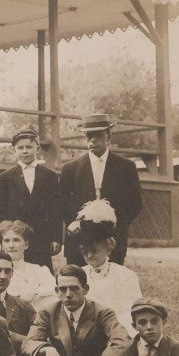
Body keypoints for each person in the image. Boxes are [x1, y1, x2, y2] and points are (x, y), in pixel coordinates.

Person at [59, 113, 144, 265]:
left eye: (98, 135)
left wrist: (113, 226)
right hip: (80, 240)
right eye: (88, 136)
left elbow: (135, 204)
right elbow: (63, 204)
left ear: (109, 137)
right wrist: (81, 227)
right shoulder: (70, 169)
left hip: (112, 239)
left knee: (111, 283)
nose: (92, 140)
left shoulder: (126, 167)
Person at [0, 127, 62, 267]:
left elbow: (56, 209)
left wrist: (56, 238)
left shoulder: (49, 175)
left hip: (42, 235)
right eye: (20, 148)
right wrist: (4, 237)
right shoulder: (6, 177)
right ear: (14, 150)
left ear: (37, 148)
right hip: (16, 237)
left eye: (29, 147)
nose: (25, 151)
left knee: (42, 271)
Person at [71, 200, 143, 333]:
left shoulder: (125, 276)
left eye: (95, 251)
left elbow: (132, 312)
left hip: (116, 330)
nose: (90, 256)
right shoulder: (79, 275)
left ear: (108, 248)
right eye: (85, 252)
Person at [0, 250, 36, 345]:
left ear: (12, 273)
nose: (3, 276)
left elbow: (38, 330)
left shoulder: (23, 305)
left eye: (7, 271)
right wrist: (30, 342)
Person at [0, 219, 56, 304]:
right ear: (2, 246)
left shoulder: (39, 271)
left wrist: (34, 292)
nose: (11, 245)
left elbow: (55, 291)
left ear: (26, 245)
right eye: (7, 241)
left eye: (16, 240)